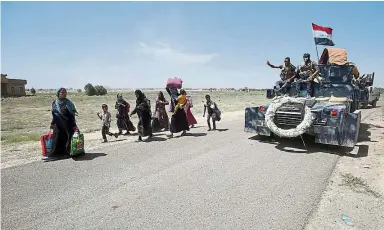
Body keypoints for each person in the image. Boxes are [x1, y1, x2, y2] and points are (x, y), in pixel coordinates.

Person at [42, 88, 78, 161]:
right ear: (58, 93)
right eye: (62, 92)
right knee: (56, 139)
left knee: (68, 138)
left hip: (68, 124)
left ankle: (67, 154)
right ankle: (53, 155)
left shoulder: (69, 103)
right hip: (58, 124)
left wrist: (74, 125)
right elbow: (54, 114)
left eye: (65, 92)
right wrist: (52, 123)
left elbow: (72, 115)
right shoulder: (54, 103)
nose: (64, 93)